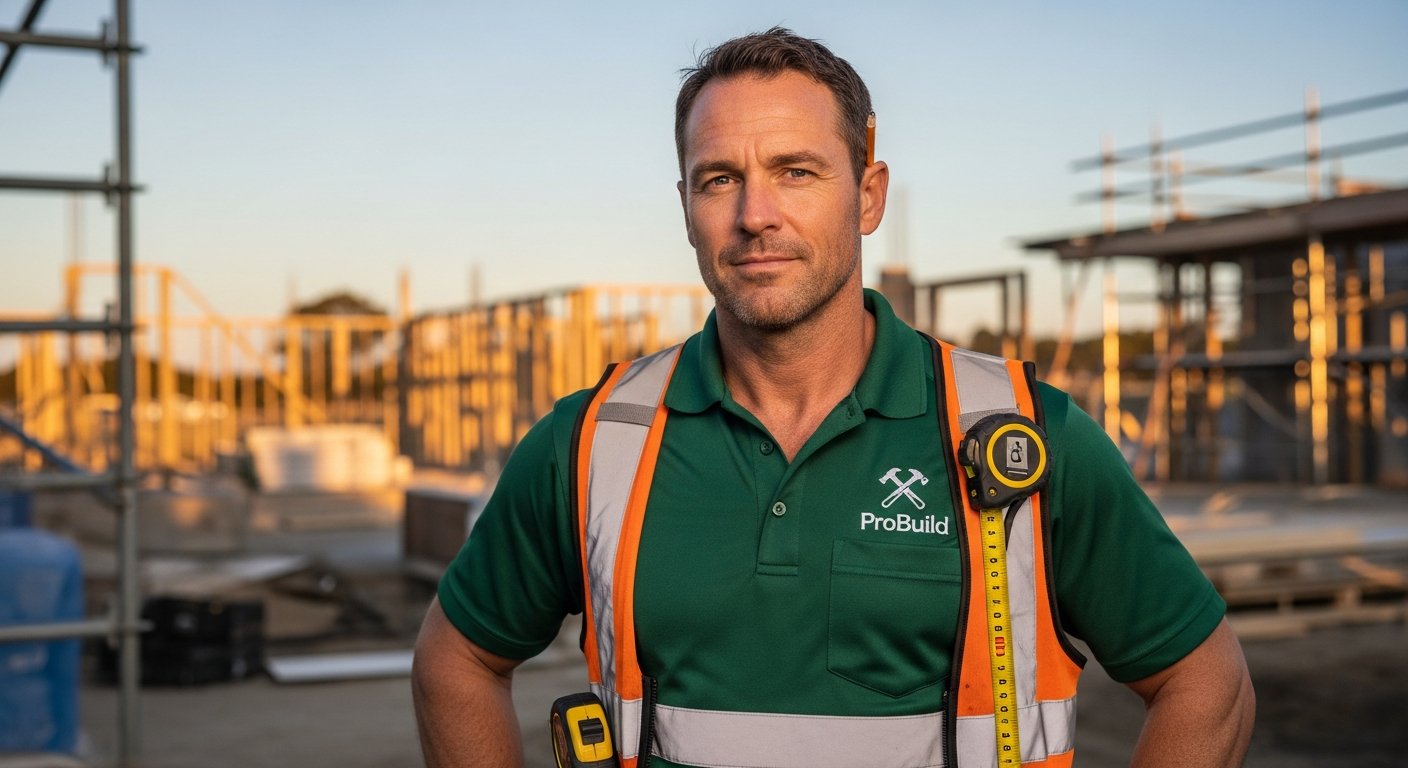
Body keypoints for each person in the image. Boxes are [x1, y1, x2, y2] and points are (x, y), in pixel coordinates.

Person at [413, 27, 1255, 768]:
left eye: (796, 171)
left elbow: (1207, 684)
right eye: (718, 179)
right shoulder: (597, 441)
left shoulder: (1022, 437)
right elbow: (456, 661)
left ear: (869, 195)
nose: (756, 214)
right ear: (686, 208)